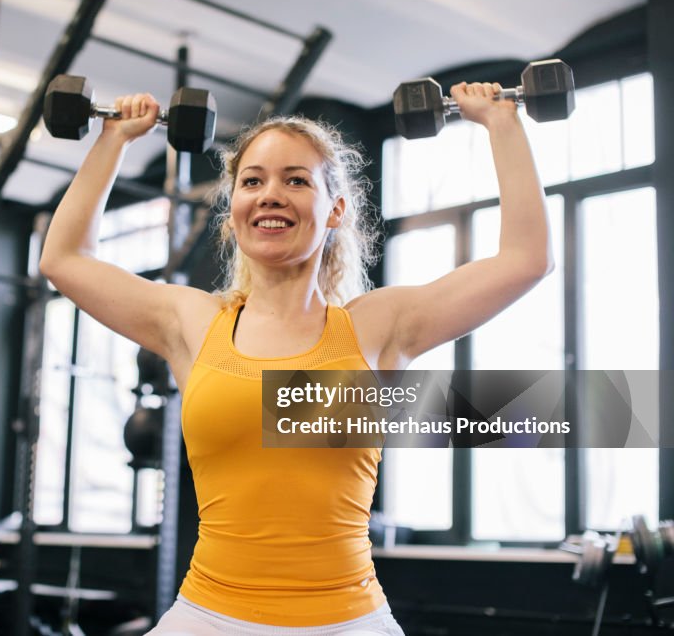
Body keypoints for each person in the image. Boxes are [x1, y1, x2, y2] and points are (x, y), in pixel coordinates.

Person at [38, 82, 553, 635]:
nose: (269, 194)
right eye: (252, 181)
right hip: (207, 617)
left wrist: (502, 123)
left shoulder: (376, 329)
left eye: (296, 180)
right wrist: (113, 138)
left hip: (347, 621)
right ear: (232, 209)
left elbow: (525, 259)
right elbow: (65, 258)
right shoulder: (193, 323)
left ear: (334, 210)